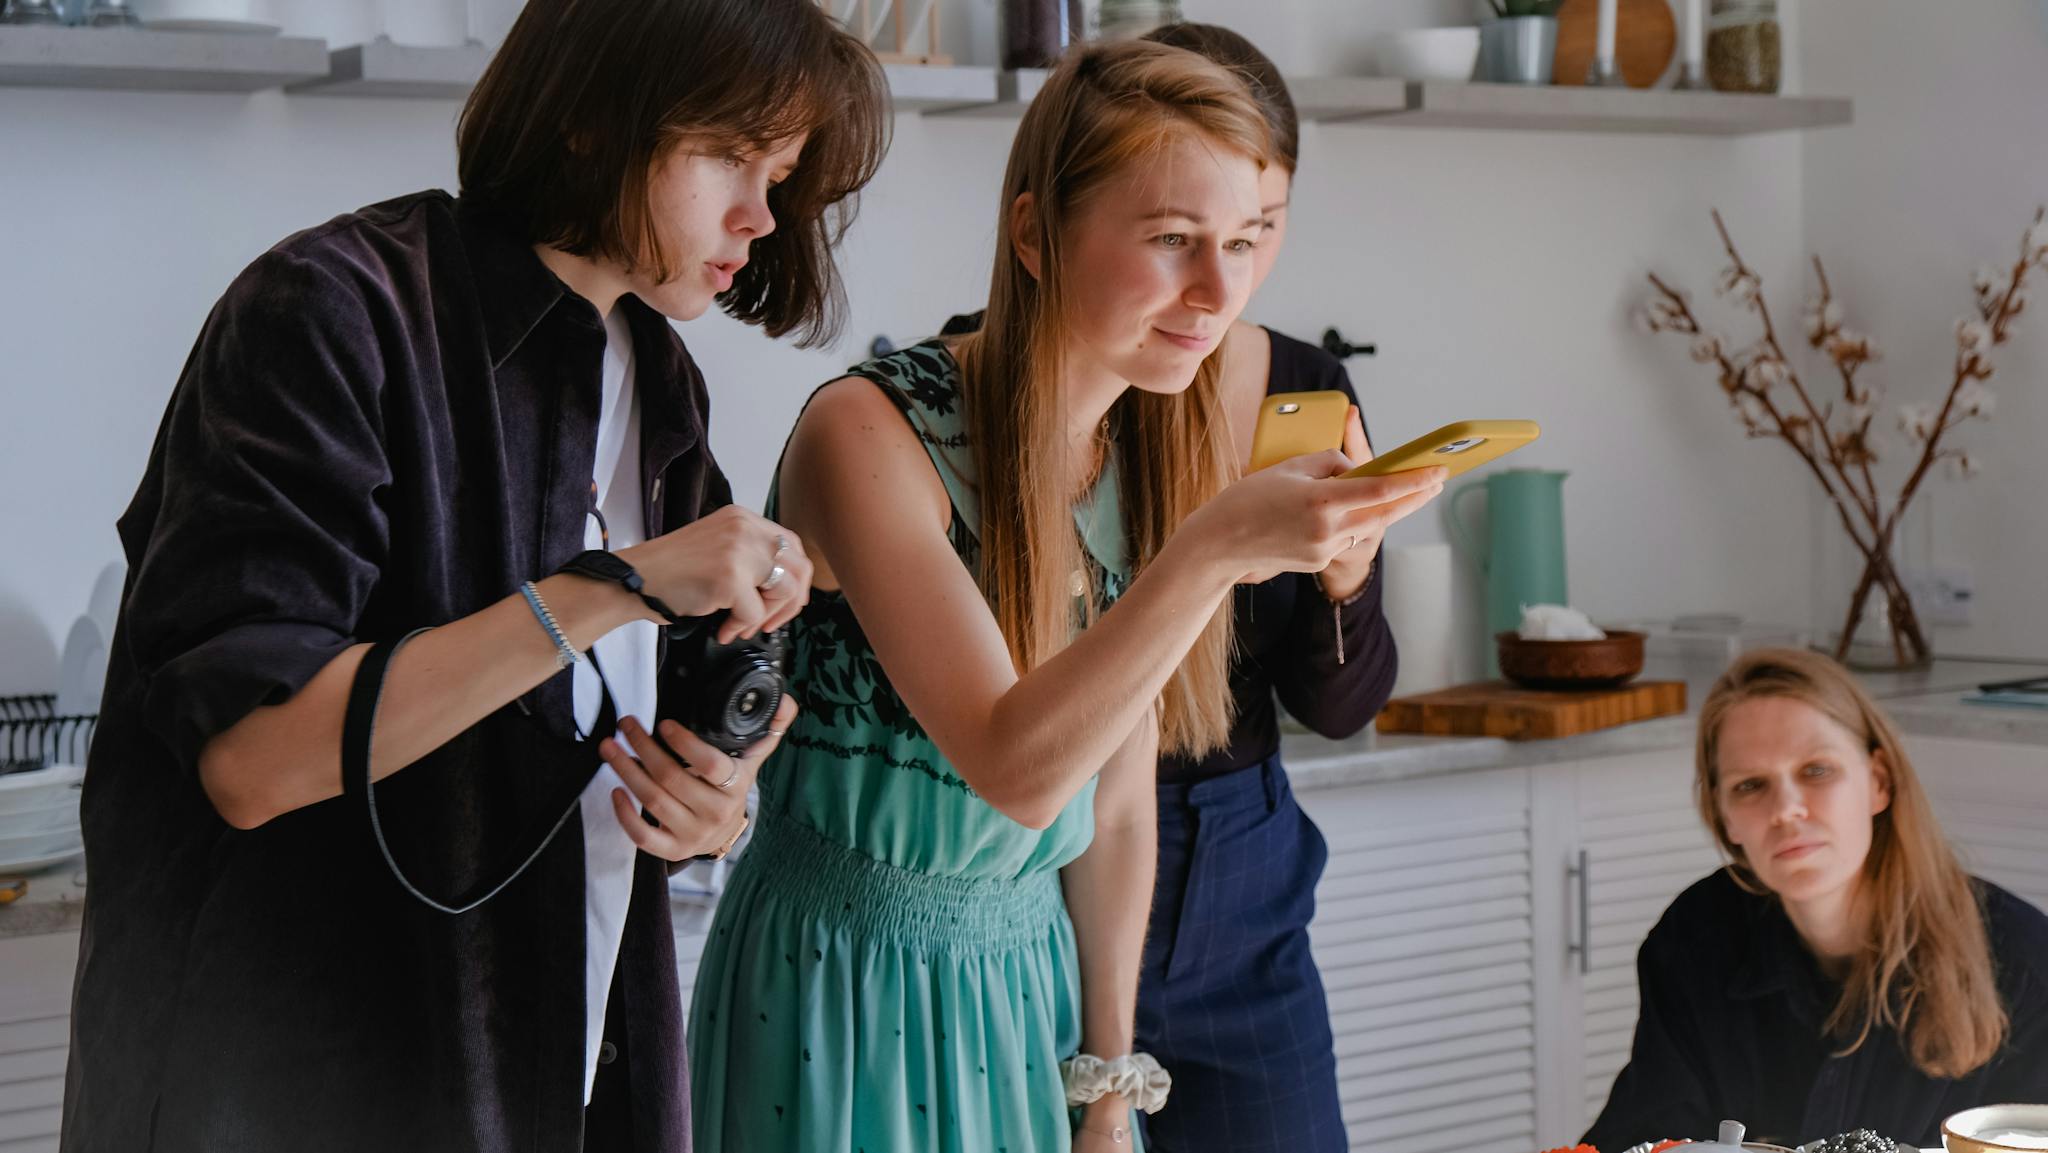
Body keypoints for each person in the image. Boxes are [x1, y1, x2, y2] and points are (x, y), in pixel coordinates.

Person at [61, 2, 887, 1150]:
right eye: (727, 156)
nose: (760, 213)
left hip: (577, 1064)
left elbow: (619, 736)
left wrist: (714, 800)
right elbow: (254, 759)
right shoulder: (332, 311)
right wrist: (619, 582)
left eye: (782, 172)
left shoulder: (657, 381)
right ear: (595, 119)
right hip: (302, 1090)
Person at [685, 39, 1445, 1153]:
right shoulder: (867, 430)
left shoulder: (1130, 443)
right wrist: (1211, 550)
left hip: (1029, 981)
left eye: (1242, 242)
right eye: (1172, 240)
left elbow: (1119, 796)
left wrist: (1106, 1079)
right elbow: (1019, 770)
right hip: (839, 983)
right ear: (1035, 232)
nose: (1220, 292)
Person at [1583, 648, 2048, 1151]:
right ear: (1725, 818)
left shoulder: (2026, 965)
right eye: (1750, 785)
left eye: (1817, 771)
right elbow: (1642, 1137)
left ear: (1878, 782)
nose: (1785, 809)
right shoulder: (1692, 940)